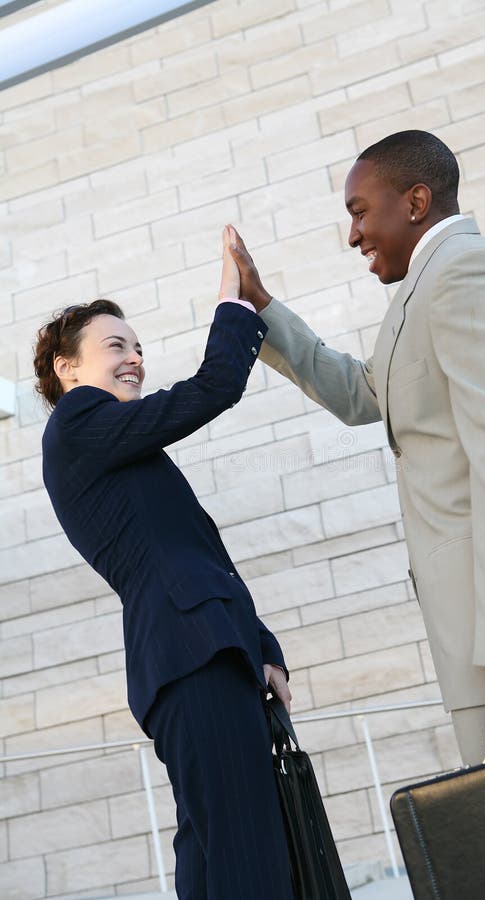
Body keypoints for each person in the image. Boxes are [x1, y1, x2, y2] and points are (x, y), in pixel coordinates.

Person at [226, 130, 485, 766]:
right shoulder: (422, 293)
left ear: (417, 201)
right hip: (483, 653)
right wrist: (260, 307)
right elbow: (361, 393)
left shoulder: (470, 275)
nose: (353, 235)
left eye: (359, 211)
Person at [34, 230, 294, 900]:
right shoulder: (80, 422)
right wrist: (233, 304)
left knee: (213, 859)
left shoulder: (118, 447)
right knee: (248, 856)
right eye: (115, 345)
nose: (135, 359)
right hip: (192, 656)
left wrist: (262, 645)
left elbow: (197, 550)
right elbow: (211, 389)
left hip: (198, 656)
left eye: (139, 348)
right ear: (67, 370)